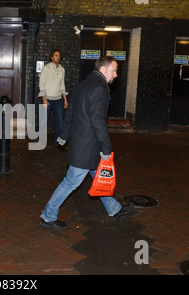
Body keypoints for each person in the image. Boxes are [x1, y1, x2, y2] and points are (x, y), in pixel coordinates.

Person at [40, 56, 134, 229]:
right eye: (113, 71)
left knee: (98, 175)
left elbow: (71, 113)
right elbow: (98, 122)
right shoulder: (100, 89)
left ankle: (114, 208)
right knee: (70, 182)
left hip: (82, 143)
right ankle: (48, 215)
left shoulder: (82, 85)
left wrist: (63, 135)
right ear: (104, 70)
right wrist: (106, 148)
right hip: (88, 147)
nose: (116, 75)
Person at [38, 49, 68, 147]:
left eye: (59, 55)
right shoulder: (46, 68)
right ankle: (40, 140)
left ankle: (57, 142)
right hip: (48, 99)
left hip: (58, 100)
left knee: (60, 123)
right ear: (51, 57)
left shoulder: (62, 69)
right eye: (56, 55)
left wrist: (65, 100)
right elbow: (41, 83)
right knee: (43, 122)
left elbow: (62, 85)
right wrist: (44, 99)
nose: (58, 57)